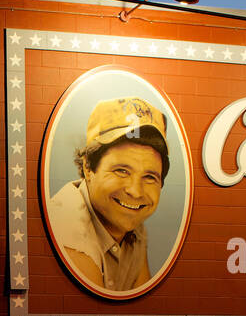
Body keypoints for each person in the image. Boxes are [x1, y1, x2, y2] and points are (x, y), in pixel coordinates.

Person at [45, 96, 170, 293]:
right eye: (121, 171)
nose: (135, 192)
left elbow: (142, 308)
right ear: (88, 167)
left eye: (149, 177)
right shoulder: (68, 229)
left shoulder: (129, 223)